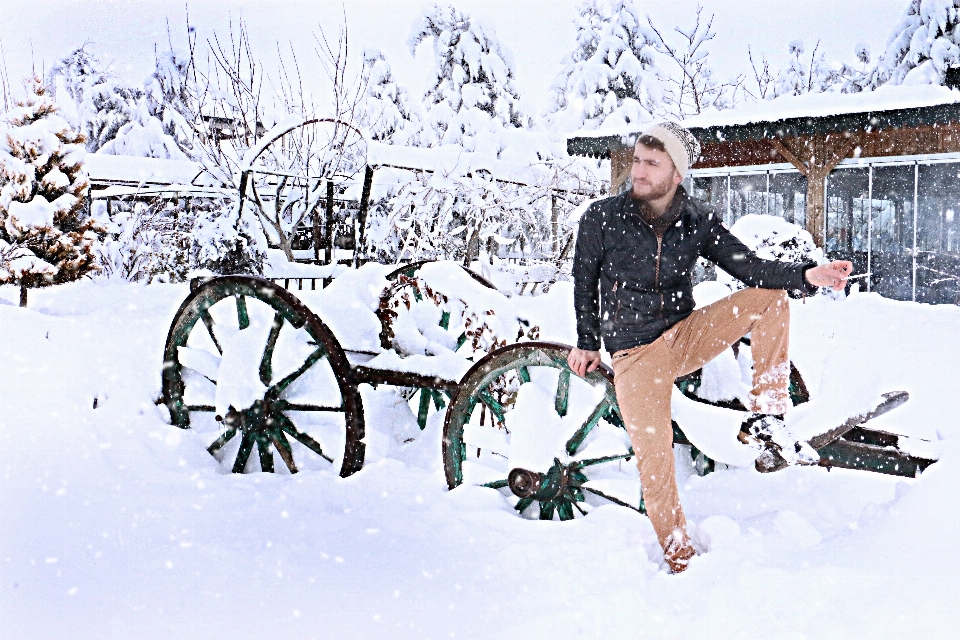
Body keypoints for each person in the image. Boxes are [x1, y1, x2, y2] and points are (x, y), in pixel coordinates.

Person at [566, 121, 852, 574]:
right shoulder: (602, 217)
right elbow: (584, 283)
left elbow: (751, 269)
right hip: (635, 355)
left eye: (651, 163)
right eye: (637, 160)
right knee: (655, 464)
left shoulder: (697, 221)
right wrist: (587, 343)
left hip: (684, 337)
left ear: (675, 174)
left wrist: (806, 276)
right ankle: (681, 560)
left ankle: (769, 417)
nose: (638, 171)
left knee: (769, 299)